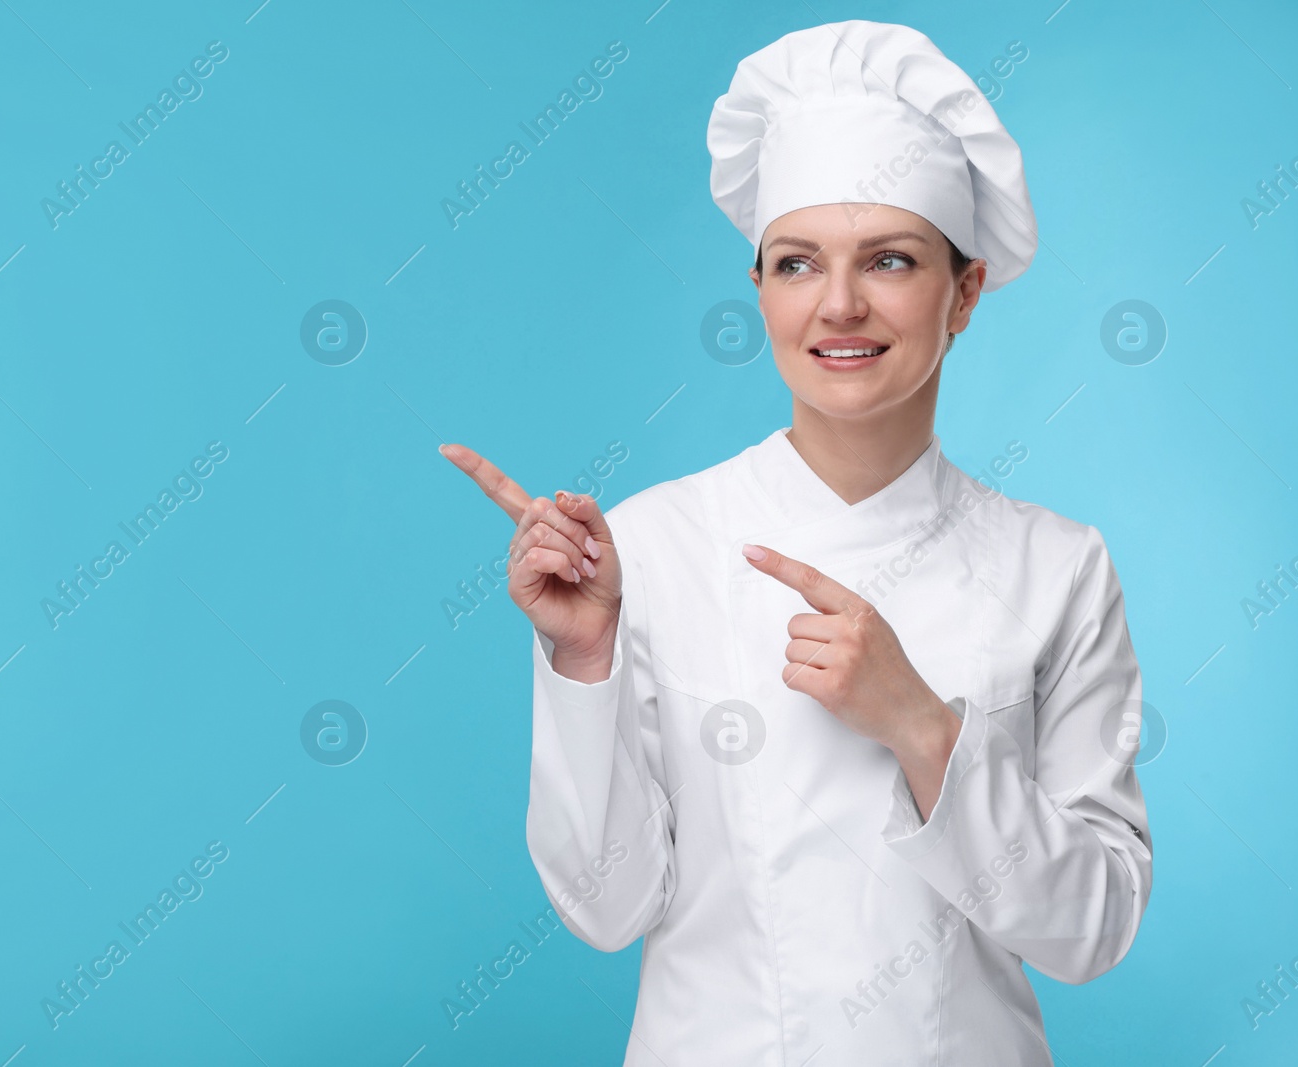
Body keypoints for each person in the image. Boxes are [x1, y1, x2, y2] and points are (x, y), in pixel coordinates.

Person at [441, 19, 1152, 1066]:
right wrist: (583, 659)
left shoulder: (1055, 566)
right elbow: (603, 906)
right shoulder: (657, 543)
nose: (839, 305)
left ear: (961, 293)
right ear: (762, 290)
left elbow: (1092, 928)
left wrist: (919, 726)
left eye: (890, 260)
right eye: (796, 263)